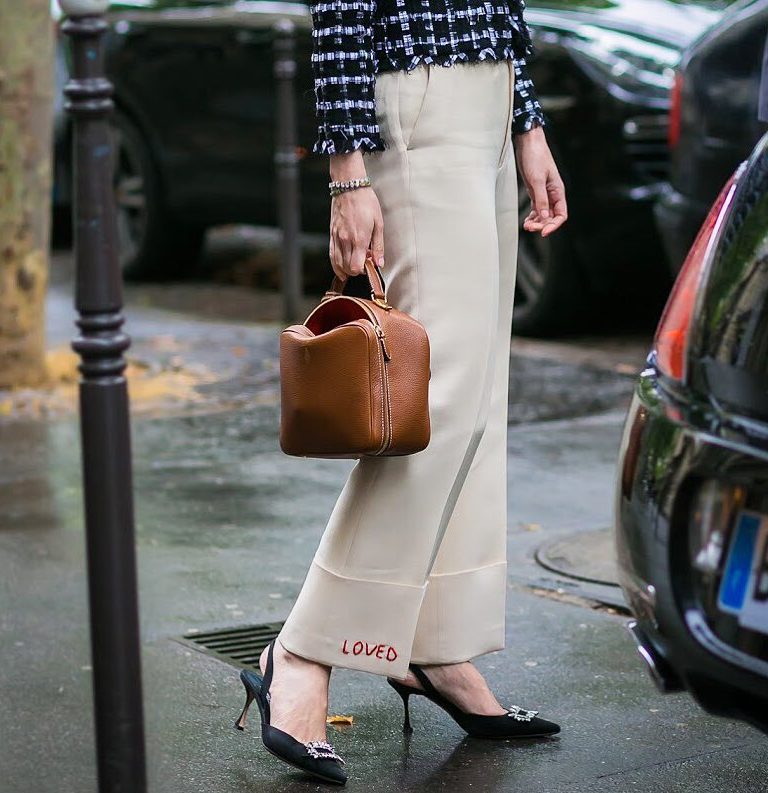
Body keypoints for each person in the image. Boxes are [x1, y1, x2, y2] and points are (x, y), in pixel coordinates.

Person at [235, 0, 568, 784]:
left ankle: (432, 641)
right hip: (417, 96)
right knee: (438, 399)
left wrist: (525, 120)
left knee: (476, 400)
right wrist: (346, 172)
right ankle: (301, 651)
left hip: (487, 96)